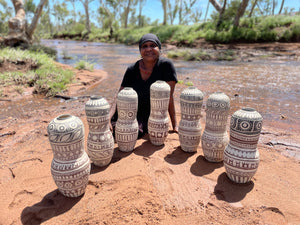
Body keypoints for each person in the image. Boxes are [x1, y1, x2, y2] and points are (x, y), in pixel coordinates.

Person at [110, 33, 178, 138]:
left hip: (151, 115)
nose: (148, 49)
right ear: (140, 51)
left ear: (159, 48)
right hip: (129, 111)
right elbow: (119, 95)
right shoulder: (132, 69)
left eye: (153, 45)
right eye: (144, 46)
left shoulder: (166, 66)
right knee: (113, 130)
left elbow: (169, 97)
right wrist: (108, 118)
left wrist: (175, 125)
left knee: (130, 133)